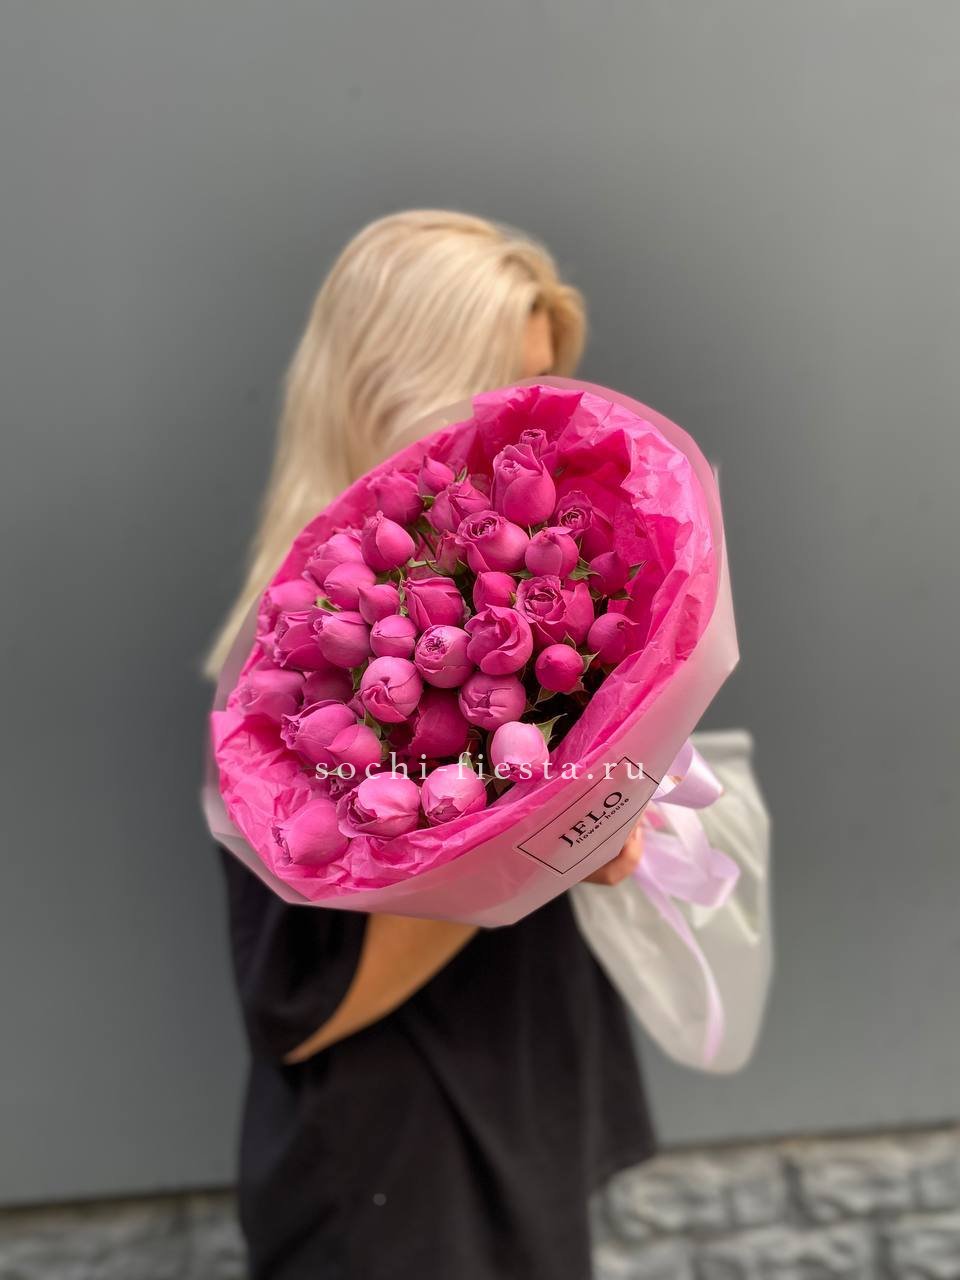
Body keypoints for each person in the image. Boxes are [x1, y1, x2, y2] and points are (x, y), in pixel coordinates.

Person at [204, 210, 658, 1280]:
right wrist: (531, 833)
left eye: (544, 385)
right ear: (395, 387)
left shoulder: (522, 595)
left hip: (515, 1113)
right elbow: (297, 1006)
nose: (536, 426)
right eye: (504, 386)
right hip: (399, 1173)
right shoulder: (291, 661)